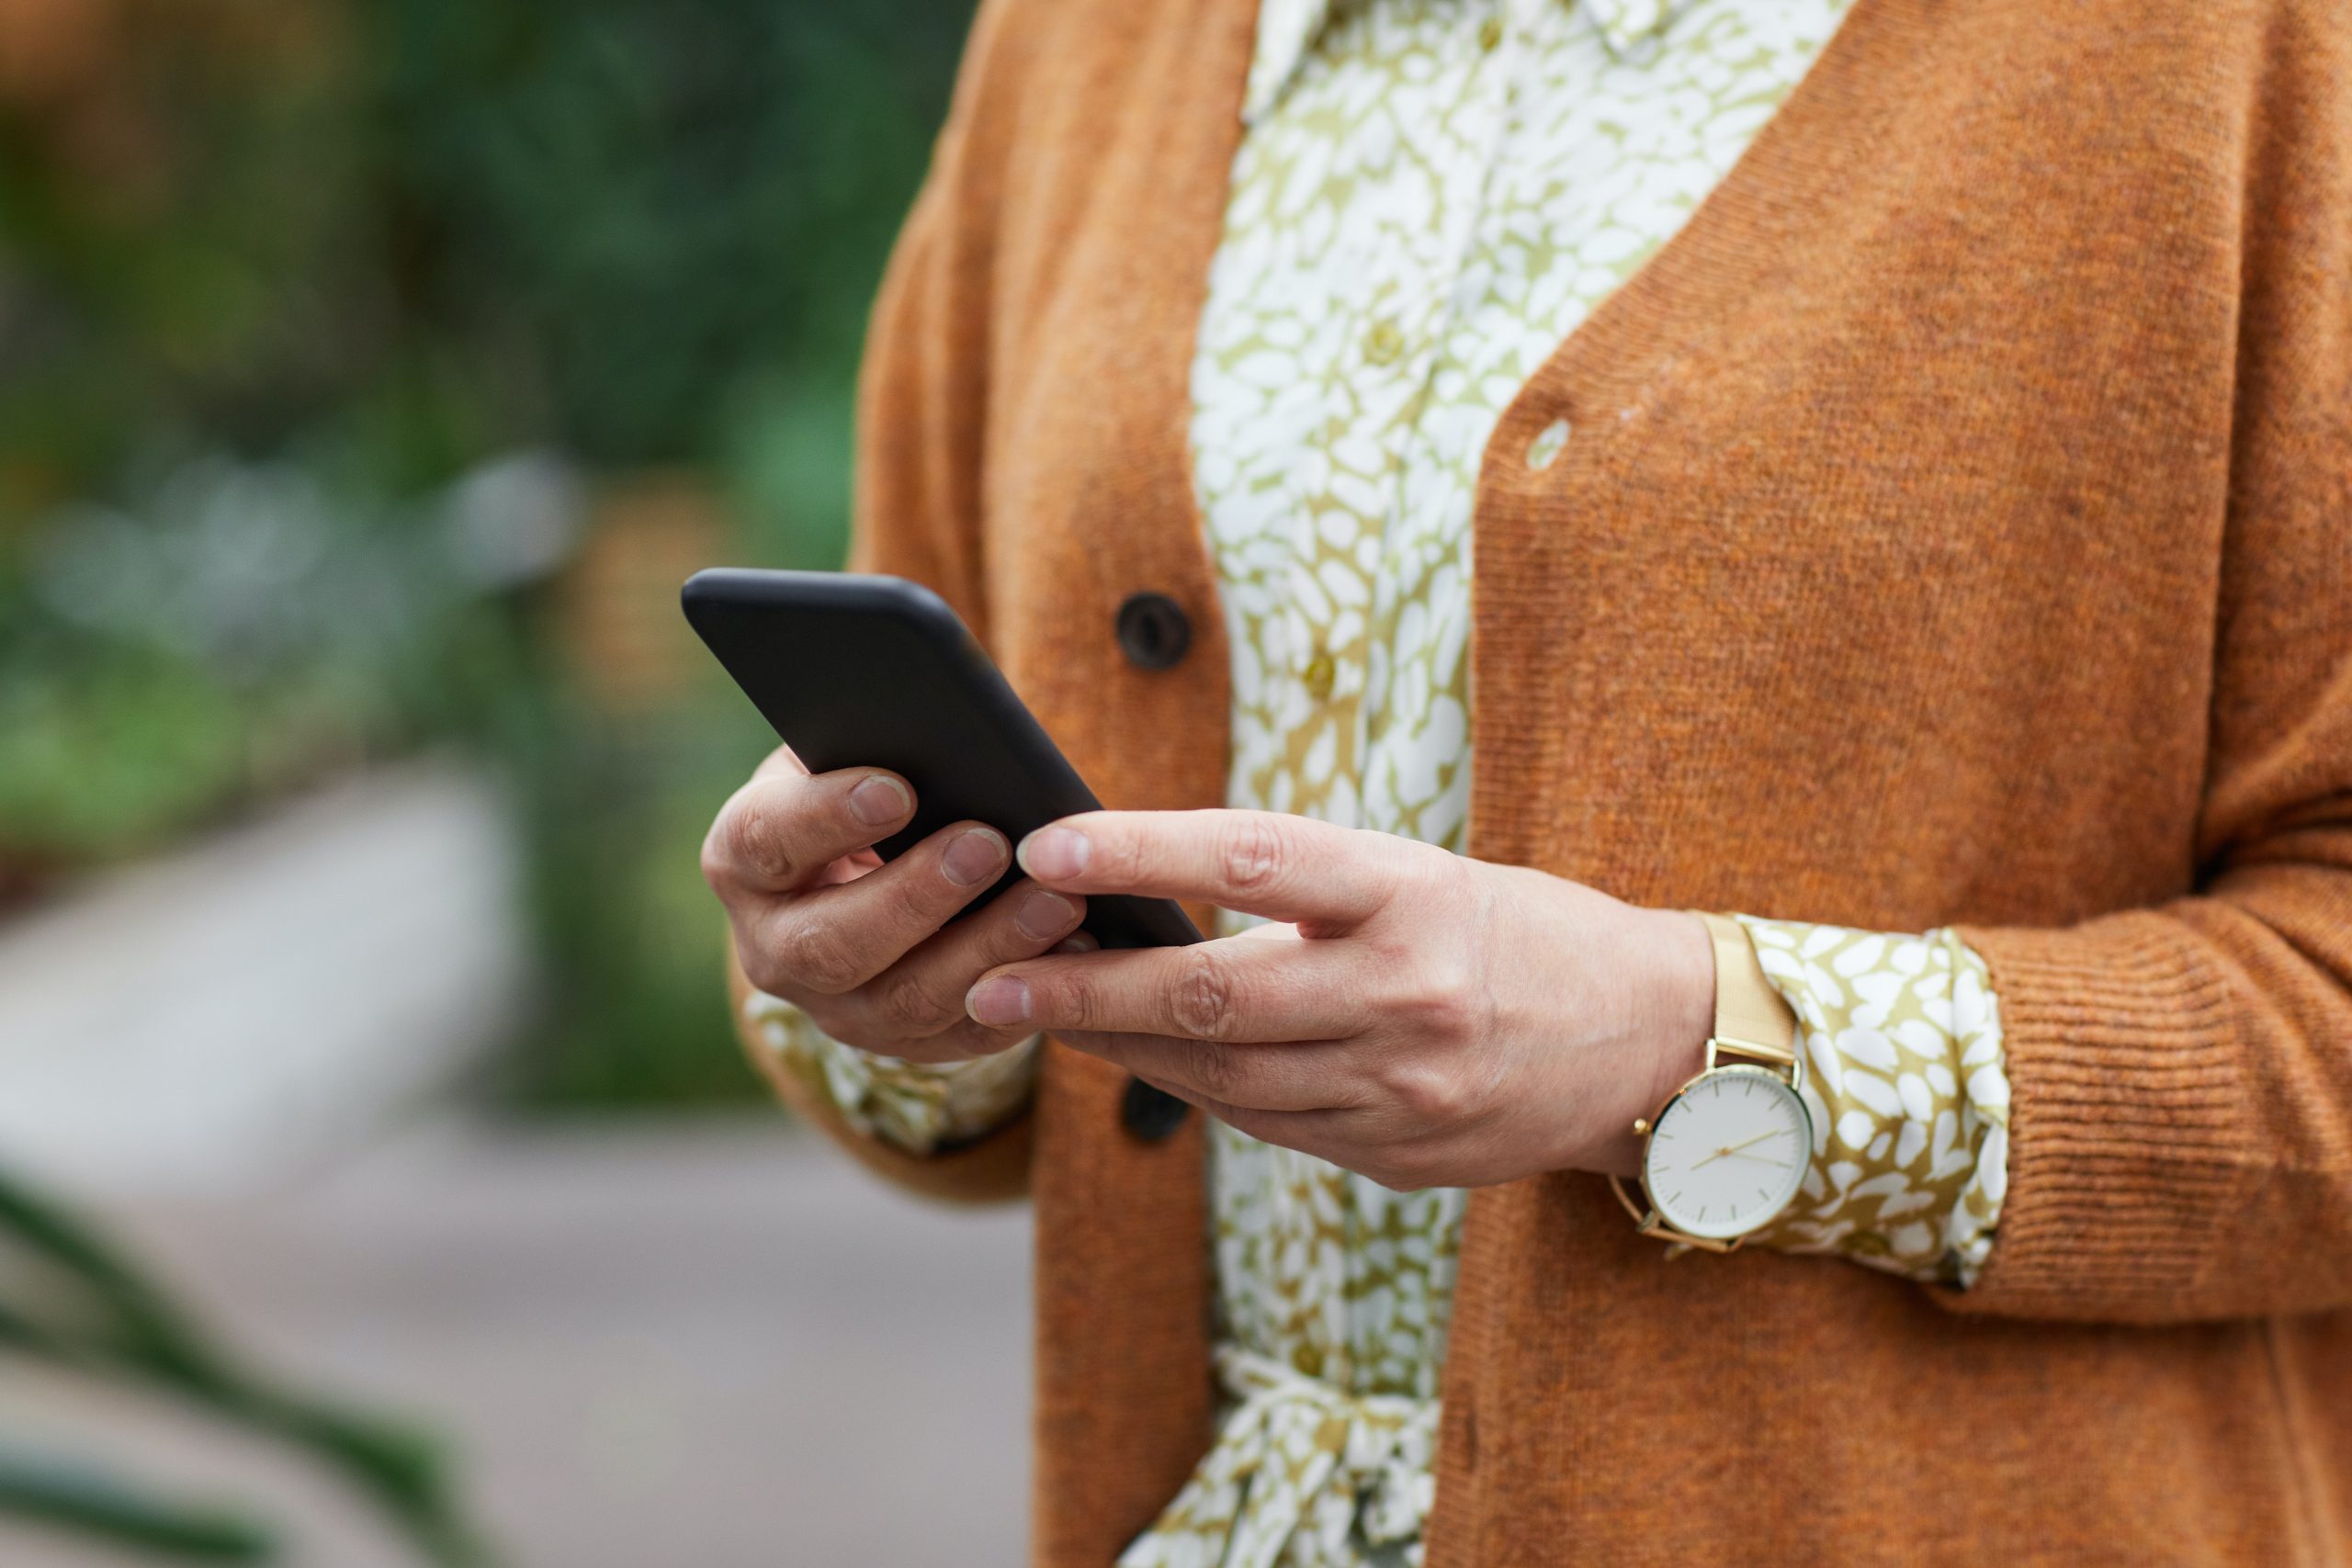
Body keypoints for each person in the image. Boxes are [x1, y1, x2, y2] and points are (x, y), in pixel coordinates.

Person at [700, 0, 2352, 1562]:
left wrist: (1691, 1040)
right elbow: (907, 753)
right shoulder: (1088, 41)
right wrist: (890, 970)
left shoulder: (2239, 55)